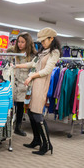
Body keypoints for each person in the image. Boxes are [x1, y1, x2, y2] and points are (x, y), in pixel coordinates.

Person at [14, 27, 61, 155]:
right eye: (41, 41)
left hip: (41, 84)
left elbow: (47, 70)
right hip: (34, 84)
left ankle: (46, 144)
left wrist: (31, 76)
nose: (42, 43)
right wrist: (17, 66)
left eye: (44, 40)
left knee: (37, 114)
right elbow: (32, 64)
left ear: (51, 38)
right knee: (30, 112)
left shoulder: (54, 52)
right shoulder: (42, 51)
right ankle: (36, 140)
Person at [8, 32, 37, 136]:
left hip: (23, 84)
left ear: (27, 43)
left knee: (20, 106)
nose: (20, 44)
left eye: (22, 42)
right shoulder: (12, 52)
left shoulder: (32, 56)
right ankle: (6, 127)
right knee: (9, 106)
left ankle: (18, 127)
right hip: (11, 82)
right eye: (18, 42)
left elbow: (33, 69)